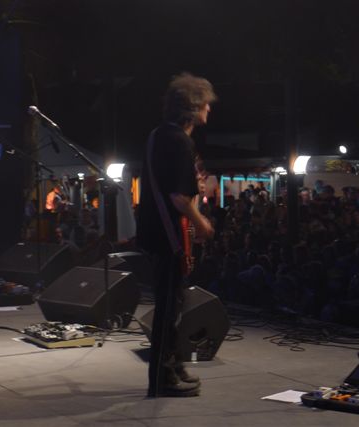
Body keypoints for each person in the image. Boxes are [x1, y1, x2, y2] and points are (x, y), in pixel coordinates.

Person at [136, 72, 216, 398]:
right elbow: (179, 198)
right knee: (169, 307)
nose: (209, 108)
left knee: (175, 304)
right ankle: (161, 378)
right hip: (169, 233)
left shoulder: (159, 135)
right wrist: (202, 223)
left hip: (156, 230)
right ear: (193, 107)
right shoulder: (180, 141)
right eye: (206, 103)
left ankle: (173, 365)